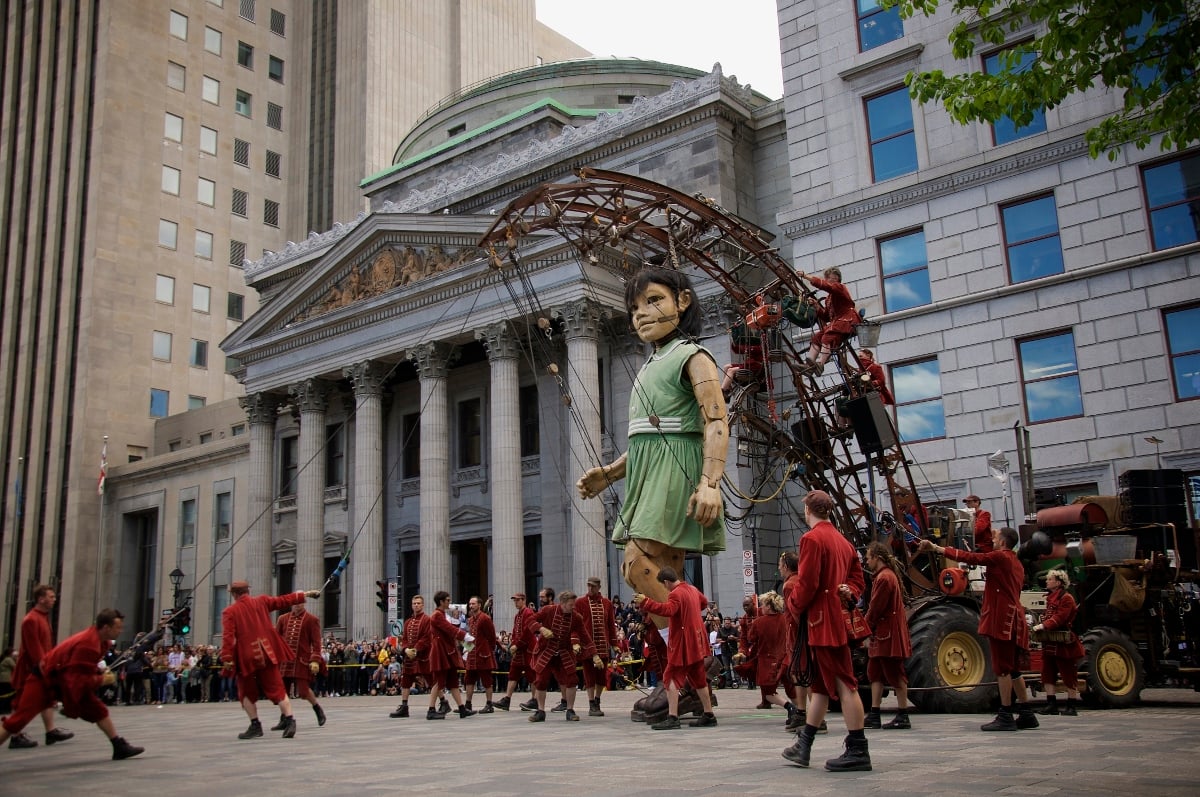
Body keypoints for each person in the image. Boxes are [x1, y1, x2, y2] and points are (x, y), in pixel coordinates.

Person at [577, 267, 727, 647]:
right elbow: (649, 437)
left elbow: (715, 420)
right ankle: (691, 667)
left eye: (653, 300)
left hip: (678, 468)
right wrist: (611, 473)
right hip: (651, 468)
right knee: (665, 571)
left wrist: (710, 483)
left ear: (683, 301)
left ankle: (688, 649)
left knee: (635, 562)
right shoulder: (650, 365)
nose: (641, 313)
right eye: (634, 307)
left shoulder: (693, 355)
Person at [782, 490, 871, 772]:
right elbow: (858, 579)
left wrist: (793, 606)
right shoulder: (844, 542)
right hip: (836, 619)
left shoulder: (812, 538)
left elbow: (807, 583)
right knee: (820, 686)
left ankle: (858, 748)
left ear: (809, 510)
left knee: (845, 683)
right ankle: (804, 744)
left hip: (821, 622)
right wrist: (850, 590)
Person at [919, 528, 1039, 731]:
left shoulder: (1001, 557)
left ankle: (1006, 714)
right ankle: (1026, 711)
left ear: (1002, 542)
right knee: (1014, 669)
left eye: (995, 536)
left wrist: (937, 548)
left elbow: (972, 557)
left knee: (1001, 668)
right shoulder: (1015, 561)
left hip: (1002, 618)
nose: (992, 538)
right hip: (1014, 616)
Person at [0, 609, 143, 760]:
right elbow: (76, 680)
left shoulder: (98, 641)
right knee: (18, 720)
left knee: (98, 709)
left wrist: (96, 672)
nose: (120, 631)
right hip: (43, 680)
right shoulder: (89, 644)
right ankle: (118, 745)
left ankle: (118, 744)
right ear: (106, 628)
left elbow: (78, 670)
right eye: (117, 627)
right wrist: (101, 680)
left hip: (59, 679)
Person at [220, 581, 321, 740]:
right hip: (267, 653)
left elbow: (228, 636)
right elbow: (283, 600)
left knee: (246, 692)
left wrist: (226, 657)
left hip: (247, 657)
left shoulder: (230, 611)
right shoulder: (261, 601)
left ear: (233, 594)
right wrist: (305, 594)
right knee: (278, 689)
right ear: (248, 590)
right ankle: (290, 720)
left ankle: (255, 725)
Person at [632, 566, 717, 730]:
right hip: (697, 643)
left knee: (670, 677)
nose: (665, 588)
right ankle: (708, 714)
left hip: (683, 645)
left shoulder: (675, 593)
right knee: (699, 680)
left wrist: (646, 602)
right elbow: (704, 603)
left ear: (666, 582)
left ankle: (672, 717)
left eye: (664, 585)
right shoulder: (692, 589)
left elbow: (668, 610)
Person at [7, 584, 73, 749]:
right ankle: (15, 735)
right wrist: (44, 666)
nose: (54, 599)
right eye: (51, 596)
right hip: (31, 669)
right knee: (23, 703)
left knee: (46, 698)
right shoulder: (31, 619)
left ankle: (50, 731)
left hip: (41, 666)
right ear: (41, 598)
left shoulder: (42, 617)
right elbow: (34, 648)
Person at [526, 590, 600, 723]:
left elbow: (585, 636)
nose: (573, 607)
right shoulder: (548, 610)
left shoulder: (576, 617)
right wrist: (541, 629)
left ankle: (570, 710)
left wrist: (595, 655)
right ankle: (540, 711)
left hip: (564, 652)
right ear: (563, 603)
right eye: (571, 604)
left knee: (572, 679)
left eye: (574, 604)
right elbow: (530, 619)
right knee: (541, 680)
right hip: (546, 650)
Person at [863, 542, 912, 729]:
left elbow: (875, 608)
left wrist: (863, 628)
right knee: (874, 672)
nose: (866, 561)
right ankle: (874, 713)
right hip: (882, 633)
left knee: (895, 673)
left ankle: (903, 714)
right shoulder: (884, 577)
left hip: (887, 633)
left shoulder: (884, 578)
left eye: (868, 557)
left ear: (877, 558)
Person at [737, 592, 799, 719]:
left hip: (767, 659)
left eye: (764, 605)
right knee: (790, 687)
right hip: (786, 657)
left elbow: (750, 637)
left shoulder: (759, 622)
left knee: (768, 693)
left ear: (769, 607)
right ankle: (800, 711)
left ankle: (789, 707)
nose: (762, 608)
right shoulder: (785, 618)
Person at [1034, 569, 1085, 716]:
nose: (1047, 581)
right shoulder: (1051, 597)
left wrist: (1044, 626)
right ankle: (1051, 703)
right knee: (1047, 673)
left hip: (1063, 641)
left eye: (1050, 579)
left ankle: (1071, 704)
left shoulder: (1066, 598)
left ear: (1058, 582)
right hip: (1050, 640)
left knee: (1068, 673)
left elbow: (1060, 618)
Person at [274, 601, 327, 728]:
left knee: (303, 692)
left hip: (301, 660)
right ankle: (284, 718)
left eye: (300, 603)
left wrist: (315, 659)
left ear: (304, 604)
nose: (297, 605)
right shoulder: (283, 618)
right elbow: (276, 638)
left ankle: (317, 709)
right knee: (282, 692)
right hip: (285, 660)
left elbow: (316, 643)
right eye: (295, 603)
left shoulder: (311, 619)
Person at [797, 267, 859, 375]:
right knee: (817, 338)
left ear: (838, 279)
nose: (832, 280)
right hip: (837, 323)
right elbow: (827, 316)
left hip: (846, 321)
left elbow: (826, 286)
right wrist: (816, 306)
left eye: (834, 278)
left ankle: (821, 364)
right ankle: (809, 365)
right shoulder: (829, 299)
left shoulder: (840, 288)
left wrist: (805, 276)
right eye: (829, 278)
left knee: (827, 336)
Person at [425, 591, 475, 720]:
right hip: (441, 651)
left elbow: (450, 628)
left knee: (452, 681)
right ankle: (431, 709)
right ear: (441, 602)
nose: (449, 602)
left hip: (447, 650)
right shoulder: (437, 615)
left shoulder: (442, 614)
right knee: (439, 680)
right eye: (447, 600)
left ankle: (462, 708)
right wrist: (464, 635)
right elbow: (449, 629)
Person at [575, 576, 616, 717]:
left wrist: (615, 644)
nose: (590, 589)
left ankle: (598, 699)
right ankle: (591, 702)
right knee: (589, 676)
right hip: (587, 646)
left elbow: (611, 625)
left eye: (593, 586)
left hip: (602, 646)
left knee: (602, 677)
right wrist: (575, 641)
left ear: (599, 587)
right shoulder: (580, 602)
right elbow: (575, 624)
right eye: (589, 586)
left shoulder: (607, 603)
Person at [389, 595, 432, 718]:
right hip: (409, 657)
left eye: (418, 603)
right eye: (414, 603)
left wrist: (415, 649)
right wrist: (406, 649)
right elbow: (405, 639)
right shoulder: (408, 622)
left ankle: (443, 701)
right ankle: (404, 706)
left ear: (422, 605)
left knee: (430, 680)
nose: (416, 605)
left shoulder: (426, 620)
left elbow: (426, 638)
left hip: (422, 656)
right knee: (406, 681)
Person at [494, 592, 537, 712]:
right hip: (519, 651)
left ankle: (535, 700)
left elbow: (527, 632)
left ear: (524, 600)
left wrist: (516, 645)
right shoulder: (517, 615)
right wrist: (513, 644)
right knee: (513, 673)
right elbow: (515, 631)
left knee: (532, 675)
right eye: (515, 600)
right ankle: (507, 699)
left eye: (518, 600)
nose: (516, 602)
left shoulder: (528, 612)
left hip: (527, 650)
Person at [464, 595, 498, 713]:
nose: (471, 606)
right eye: (470, 604)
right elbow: (470, 637)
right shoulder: (470, 620)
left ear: (479, 605)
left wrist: (490, 650)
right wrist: (466, 649)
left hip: (483, 654)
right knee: (468, 679)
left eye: (473, 604)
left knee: (486, 680)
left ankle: (489, 704)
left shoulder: (485, 618)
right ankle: (468, 704)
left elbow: (492, 636)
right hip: (472, 654)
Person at [0, 647, 15, 714]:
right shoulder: (9, 659)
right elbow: (15, 666)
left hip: (3, 679)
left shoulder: (5, 659)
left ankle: (3, 708)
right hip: (7, 679)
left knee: (4, 694)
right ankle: (5, 708)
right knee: (7, 694)